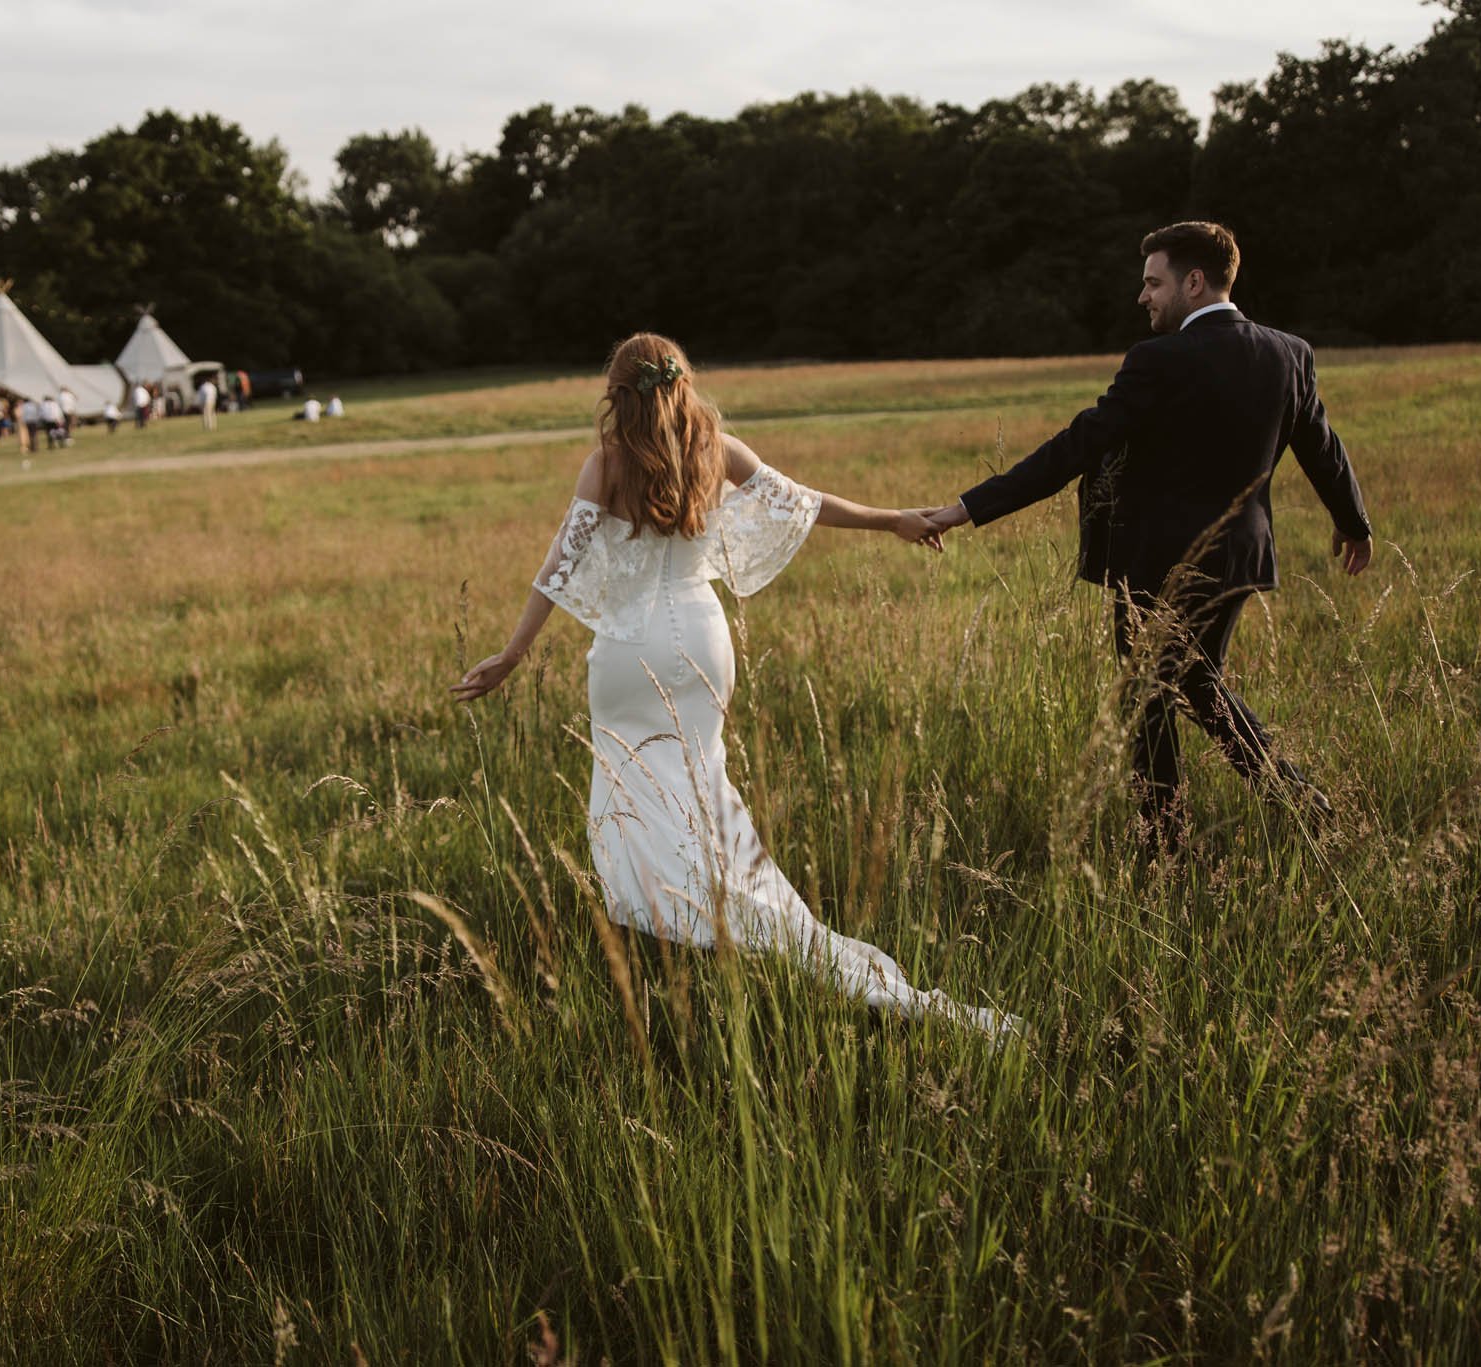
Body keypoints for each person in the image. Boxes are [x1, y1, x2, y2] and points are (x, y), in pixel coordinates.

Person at [453, 333, 1019, 1040]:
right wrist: (894, 520)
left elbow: (558, 565)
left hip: (630, 656)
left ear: (618, 395)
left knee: (633, 798)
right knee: (703, 789)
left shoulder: (606, 465)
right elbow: (808, 503)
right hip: (700, 640)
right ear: (683, 385)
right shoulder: (716, 451)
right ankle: (734, 913)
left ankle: (686, 924)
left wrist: (512, 653)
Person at [919, 222, 1373, 851]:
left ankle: (1180, 840)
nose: (1144, 297)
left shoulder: (1157, 360)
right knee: (1191, 684)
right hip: (1242, 558)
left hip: (1156, 566)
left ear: (1194, 282)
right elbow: (1322, 447)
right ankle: (1275, 808)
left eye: (1153, 282)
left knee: (1152, 697)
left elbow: (1076, 447)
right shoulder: (1289, 353)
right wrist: (1354, 524)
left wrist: (965, 508)